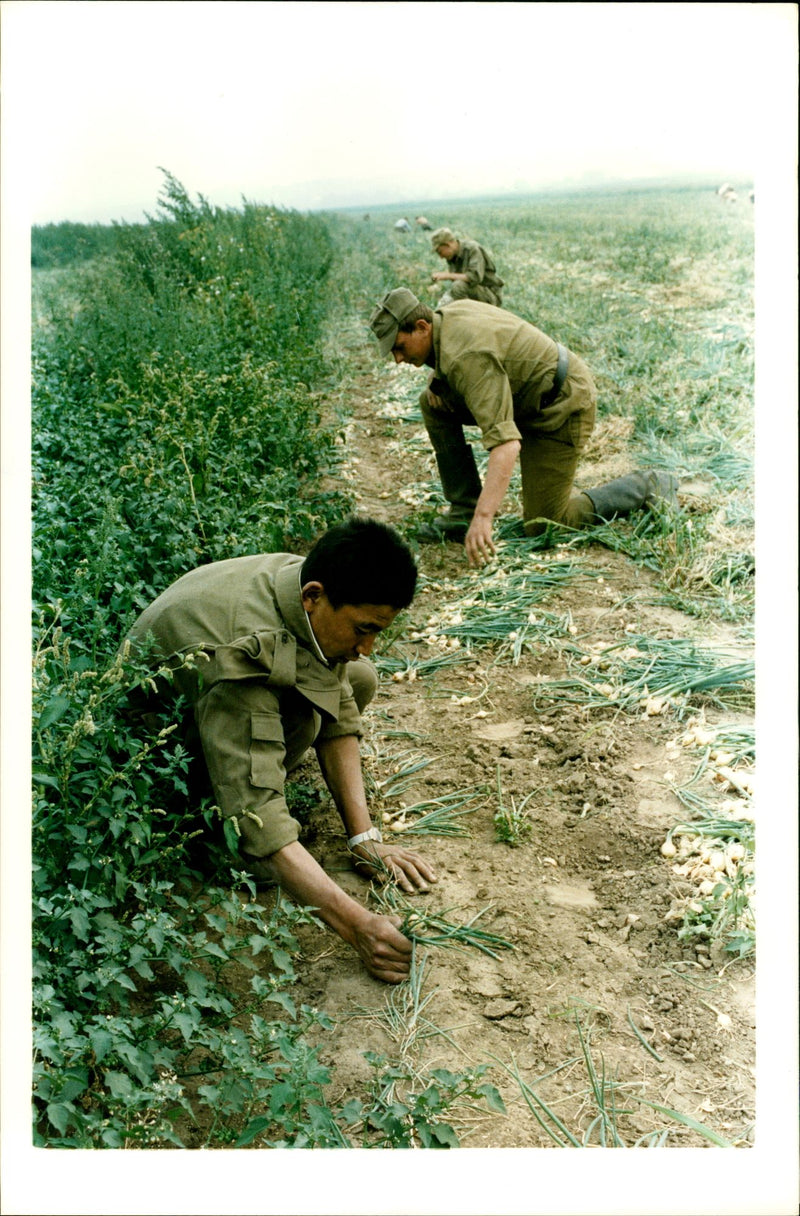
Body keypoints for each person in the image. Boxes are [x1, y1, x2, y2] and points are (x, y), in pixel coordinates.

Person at [127, 517, 436, 983]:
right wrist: (358, 926)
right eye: (363, 629)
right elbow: (260, 819)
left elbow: (339, 695)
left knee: (360, 678)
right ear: (314, 597)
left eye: (379, 632)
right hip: (151, 752)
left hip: (213, 689)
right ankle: (206, 828)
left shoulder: (308, 589)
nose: (368, 646)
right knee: (294, 737)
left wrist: (365, 840)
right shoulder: (241, 656)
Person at [368, 289, 678, 567]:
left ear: (422, 327)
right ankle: (463, 510)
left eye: (399, 347)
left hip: (561, 406)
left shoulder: (467, 356)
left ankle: (647, 485)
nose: (397, 359)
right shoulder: (445, 317)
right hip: (525, 399)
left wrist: (485, 517)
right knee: (432, 401)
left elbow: (506, 446)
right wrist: (437, 379)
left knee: (546, 525)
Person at [429, 227, 504, 307]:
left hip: (490, 294)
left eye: (440, 252)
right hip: (474, 291)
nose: (441, 257)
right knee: (445, 302)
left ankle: (470, 314)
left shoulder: (472, 249)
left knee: (458, 287)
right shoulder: (452, 256)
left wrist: (447, 275)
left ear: (448, 244)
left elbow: (474, 277)